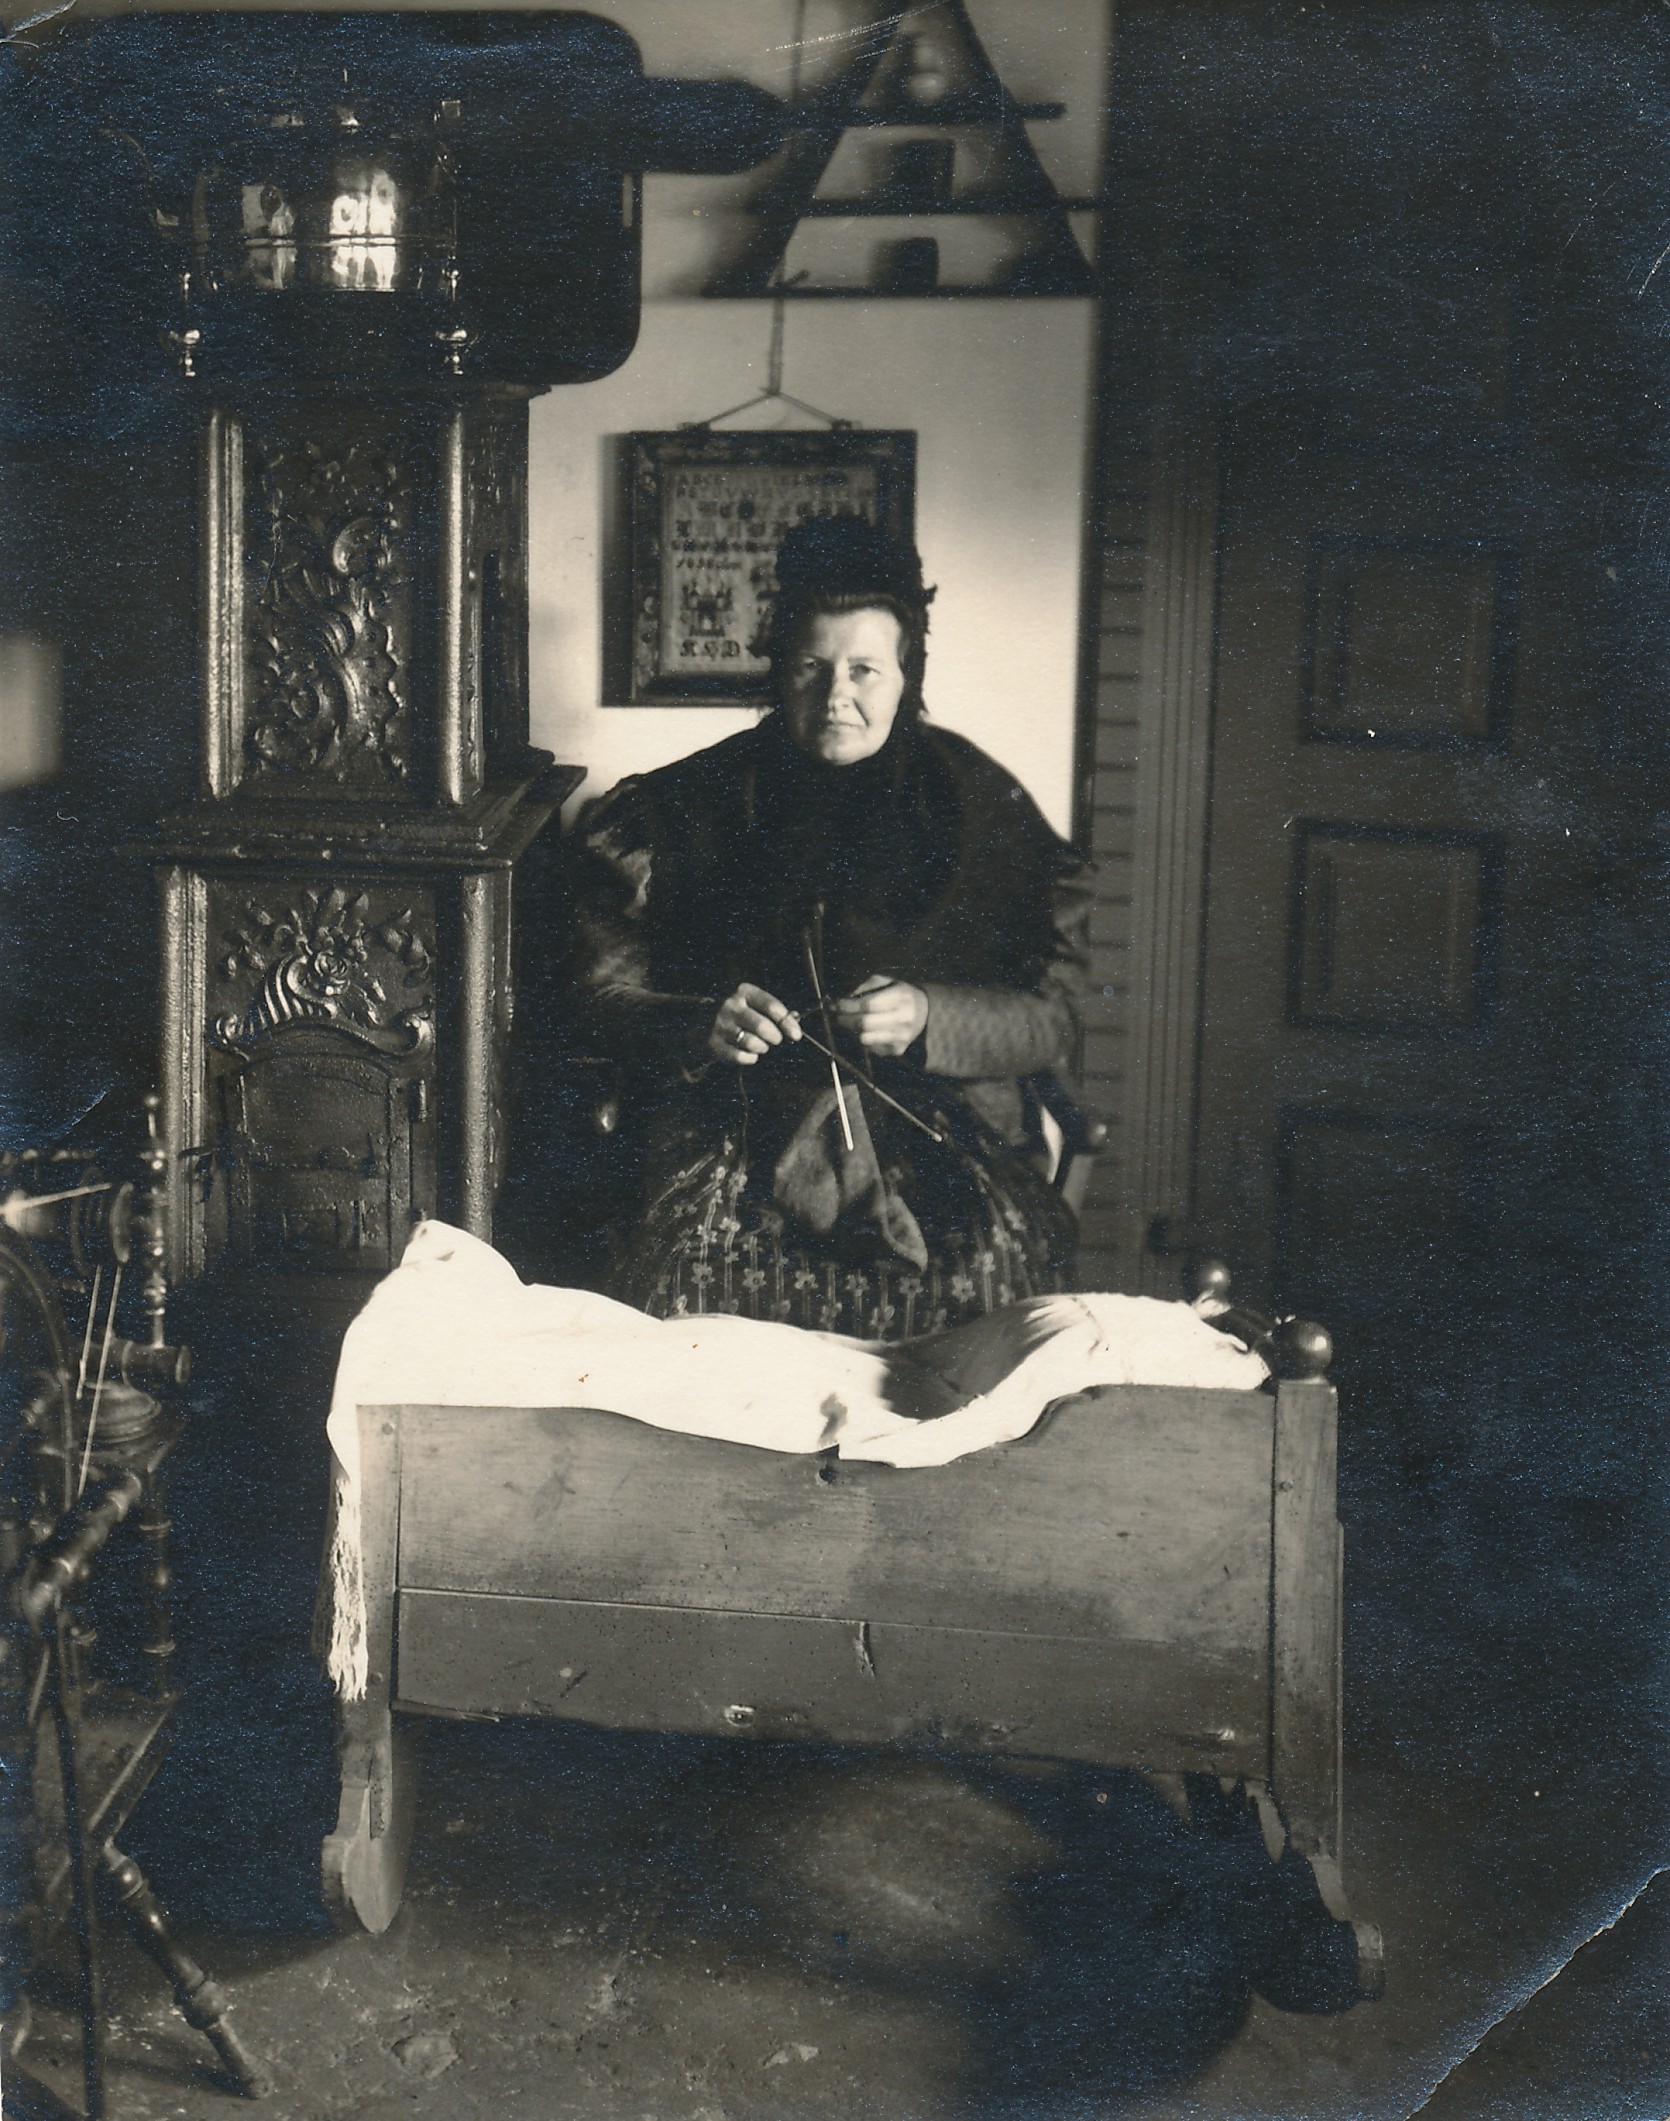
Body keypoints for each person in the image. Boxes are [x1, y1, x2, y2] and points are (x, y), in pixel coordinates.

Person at [565, 514, 1090, 1339]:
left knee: (986, 1300)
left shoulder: (985, 810)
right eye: (812, 666)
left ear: (908, 672)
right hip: (733, 1127)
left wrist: (931, 1016)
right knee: (682, 1288)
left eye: (865, 669)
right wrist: (701, 1024)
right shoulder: (676, 808)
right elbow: (597, 996)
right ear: (780, 667)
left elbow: (1051, 1020)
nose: (836, 694)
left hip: (941, 1134)